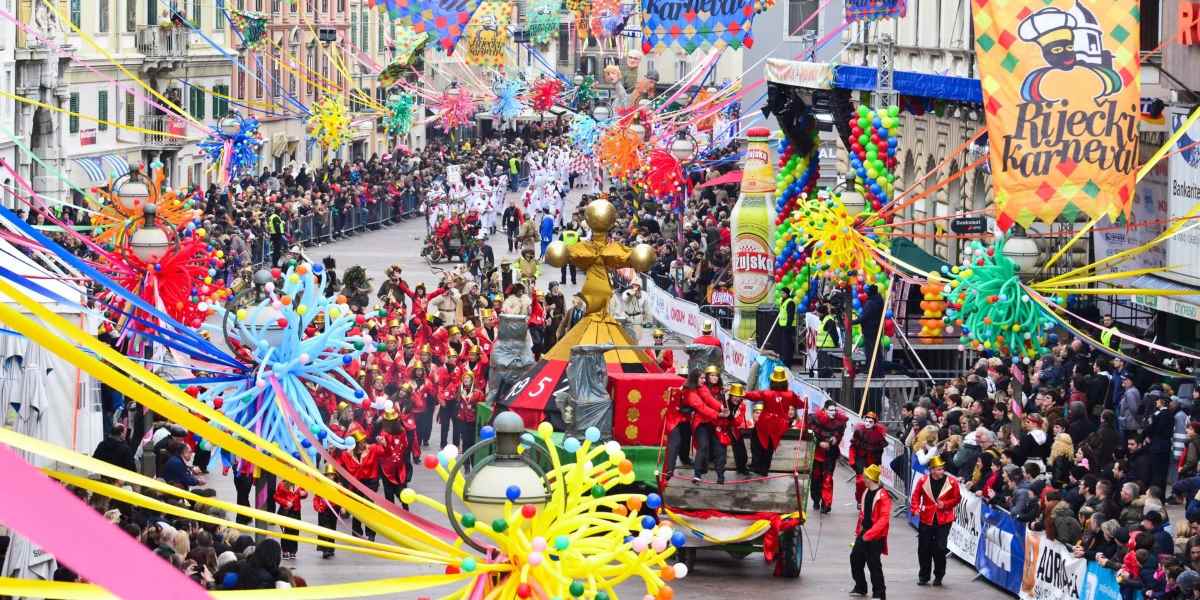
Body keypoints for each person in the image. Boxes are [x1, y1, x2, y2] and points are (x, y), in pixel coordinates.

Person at [743, 366, 806, 475]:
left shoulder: (767, 393)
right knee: (770, 446)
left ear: (772, 381)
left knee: (757, 442)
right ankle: (764, 469)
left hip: (765, 423)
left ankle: (755, 465)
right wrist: (805, 401)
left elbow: (752, 395)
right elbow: (802, 405)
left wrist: (740, 393)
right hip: (780, 424)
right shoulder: (790, 395)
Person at [910, 455, 962, 586]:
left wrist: (945, 504)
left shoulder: (951, 482)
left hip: (944, 519)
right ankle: (924, 576)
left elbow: (957, 499)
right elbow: (916, 496)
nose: (941, 472)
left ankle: (939, 575)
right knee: (923, 548)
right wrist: (915, 508)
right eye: (938, 469)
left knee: (940, 548)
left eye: (942, 469)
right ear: (932, 470)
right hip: (926, 518)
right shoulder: (923, 481)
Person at [851, 464, 891, 600]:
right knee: (855, 558)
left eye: (865, 477)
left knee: (873, 564)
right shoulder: (866, 492)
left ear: (870, 479)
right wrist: (860, 531)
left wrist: (869, 535)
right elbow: (863, 514)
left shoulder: (883, 497)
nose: (863, 479)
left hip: (875, 536)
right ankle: (860, 587)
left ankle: (879, 593)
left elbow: (883, 520)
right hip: (864, 533)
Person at [683, 368, 727, 484]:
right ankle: (697, 474)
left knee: (719, 447)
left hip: (712, 421)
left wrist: (721, 407)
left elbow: (709, 398)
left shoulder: (702, 387)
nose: (704, 380)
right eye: (701, 378)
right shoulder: (690, 393)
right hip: (701, 423)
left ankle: (720, 476)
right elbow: (702, 407)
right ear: (694, 379)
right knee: (703, 446)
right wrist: (718, 414)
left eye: (704, 378)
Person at [810, 400, 848, 513]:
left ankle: (826, 504)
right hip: (817, 454)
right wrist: (819, 443)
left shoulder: (840, 422)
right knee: (816, 478)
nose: (833, 412)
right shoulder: (815, 419)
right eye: (831, 410)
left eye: (835, 410)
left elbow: (840, 434)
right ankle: (816, 499)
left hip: (830, 454)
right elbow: (812, 434)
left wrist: (834, 440)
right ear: (825, 410)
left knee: (828, 479)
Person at [851, 412, 889, 501]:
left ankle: (869, 501)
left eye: (870, 422)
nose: (867, 423)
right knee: (860, 481)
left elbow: (880, 451)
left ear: (874, 423)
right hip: (861, 460)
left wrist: (878, 464)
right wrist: (852, 460)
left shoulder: (878, 436)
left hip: (873, 462)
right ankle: (860, 500)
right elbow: (853, 447)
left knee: (872, 484)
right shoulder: (859, 432)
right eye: (866, 421)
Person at [775, 287, 797, 366]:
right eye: (781, 293)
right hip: (782, 326)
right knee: (783, 345)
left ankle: (787, 362)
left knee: (787, 346)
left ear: (787, 294)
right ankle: (783, 360)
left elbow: (790, 316)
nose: (781, 294)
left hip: (788, 327)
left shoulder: (790, 302)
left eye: (783, 293)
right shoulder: (783, 301)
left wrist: (788, 326)